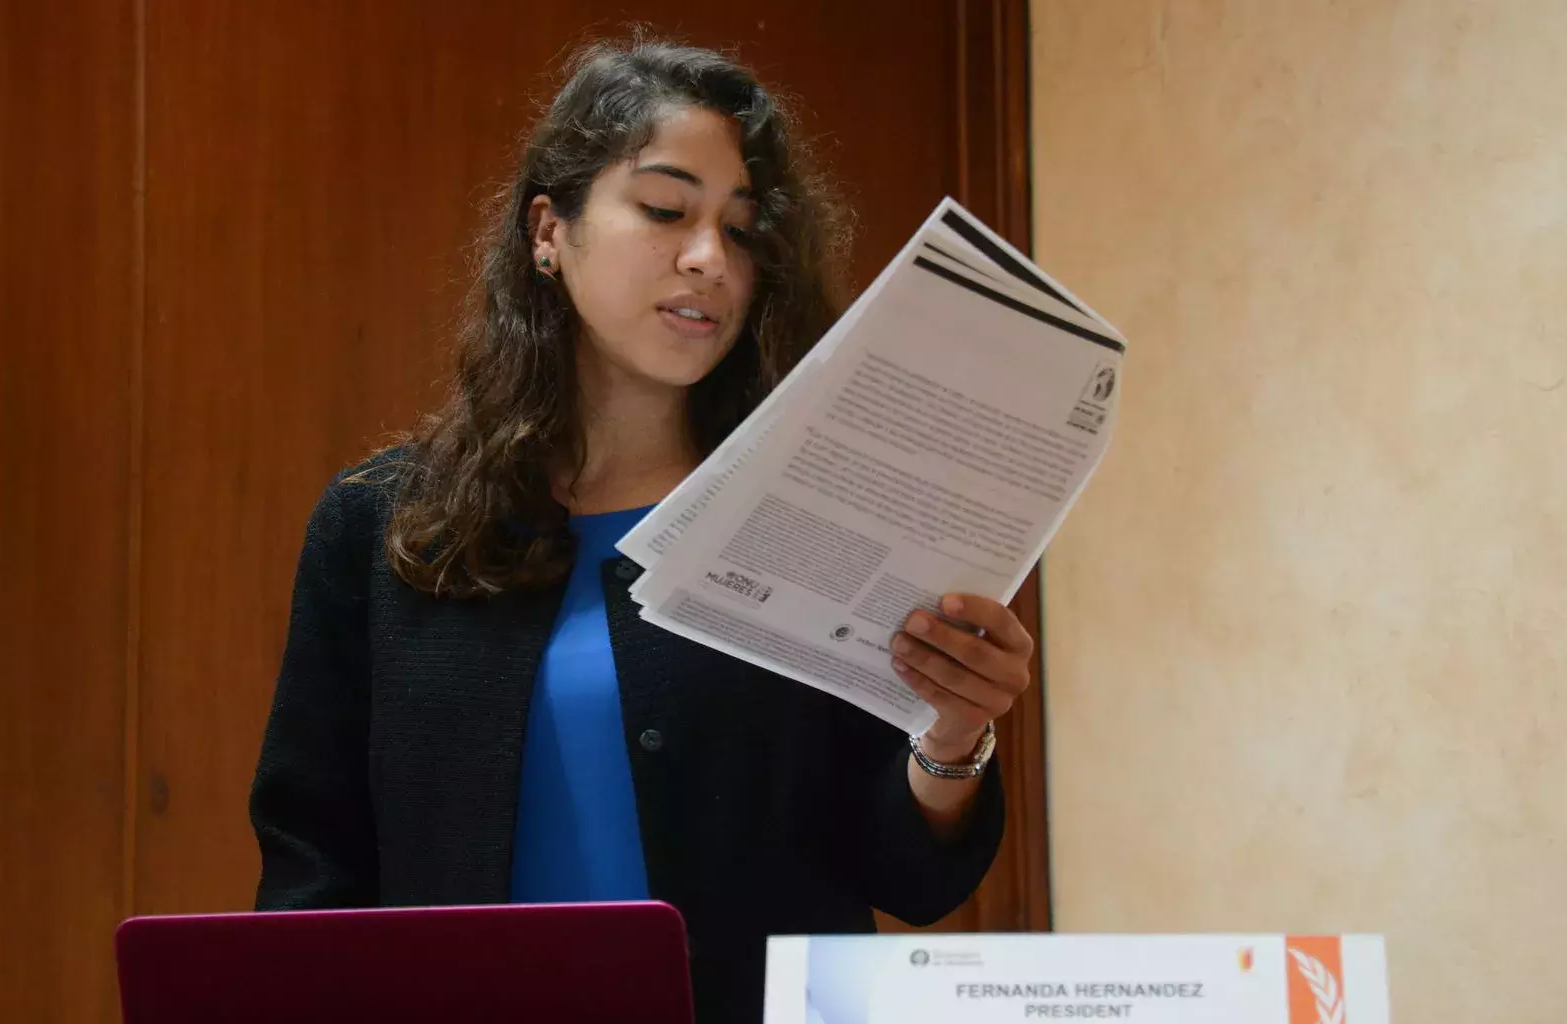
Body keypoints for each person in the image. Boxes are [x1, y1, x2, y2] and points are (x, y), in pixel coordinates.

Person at [249, 36, 1036, 1023]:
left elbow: (908, 876)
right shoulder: (381, 522)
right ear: (549, 229)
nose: (708, 257)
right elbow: (311, 864)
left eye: (744, 231)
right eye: (665, 210)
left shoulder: (812, 512)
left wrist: (953, 737)